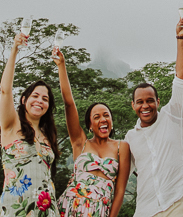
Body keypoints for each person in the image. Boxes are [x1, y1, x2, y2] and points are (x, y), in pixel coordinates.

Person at [53, 46, 131, 217]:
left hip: (99, 211)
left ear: (111, 121)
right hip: (69, 207)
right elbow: (69, 104)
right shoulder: (80, 142)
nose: (102, 119)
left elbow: (120, 191)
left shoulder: (122, 147)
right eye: (96, 117)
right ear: (89, 125)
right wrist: (61, 66)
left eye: (106, 116)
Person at [125, 16, 183, 217]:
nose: (146, 106)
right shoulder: (130, 138)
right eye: (140, 102)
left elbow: (181, 77)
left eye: (150, 100)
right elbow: (118, 172)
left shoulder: (173, 115)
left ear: (158, 102)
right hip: (146, 210)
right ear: (133, 105)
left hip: (176, 203)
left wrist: (180, 39)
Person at [0, 30, 61, 217]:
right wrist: (14, 50)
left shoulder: (47, 136)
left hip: (47, 210)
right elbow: (5, 91)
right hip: (16, 209)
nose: (39, 101)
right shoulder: (11, 125)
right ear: (24, 99)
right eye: (35, 96)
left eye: (45, 99)